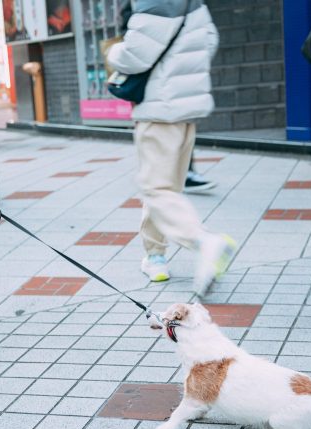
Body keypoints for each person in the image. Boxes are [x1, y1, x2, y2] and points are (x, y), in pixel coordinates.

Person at [107, 0, 235, 295]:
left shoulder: (154, 4)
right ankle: (155, 256)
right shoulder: (194, 4)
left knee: (155, 188)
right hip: (187, 109)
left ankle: (203, 241)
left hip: (159, 109)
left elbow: (133, 57)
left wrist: (113, 51)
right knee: (168, 188)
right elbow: (210, 41)